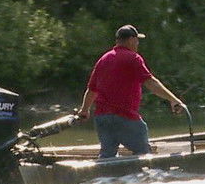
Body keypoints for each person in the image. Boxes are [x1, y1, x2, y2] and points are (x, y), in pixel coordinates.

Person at [77, 24, 185, 158]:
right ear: (131, 40)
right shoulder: (133, 58)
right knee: (144, 154)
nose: (138, 43)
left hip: (102, 118)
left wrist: (84, 110)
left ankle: (104, 176)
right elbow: (150, 83)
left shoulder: (103, 59)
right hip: (125, 117)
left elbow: (92, 90)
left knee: (107, 156)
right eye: (137, 40)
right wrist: (173, 99)